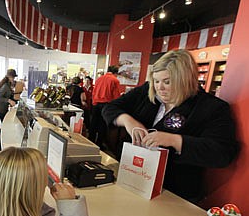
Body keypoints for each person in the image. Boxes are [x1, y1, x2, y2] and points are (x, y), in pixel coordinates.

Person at [102, 49, 238, 203]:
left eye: (167, 82)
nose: (160, 87)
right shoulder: (148, 91)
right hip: (133, 176)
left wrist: (175, 141)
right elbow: (109, 108)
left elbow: (222, 153)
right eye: (156, 81)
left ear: (185, 79)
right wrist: (128, 121)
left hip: (174, 193)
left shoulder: (211, 108)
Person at [90, 65, 121, 148]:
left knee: (93, 124)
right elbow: (116, 96)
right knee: (102, 125)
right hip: (106, 105)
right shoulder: (115, 80)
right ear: (116, 73)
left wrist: (94, 103)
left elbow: (94, 92)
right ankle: (99, 144)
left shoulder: (99, 79)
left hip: (96, 104)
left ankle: (89, 142)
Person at [0, 68, 17, 151]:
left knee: (3, 126)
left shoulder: (7, 85)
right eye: (12, 77)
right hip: (1, 108)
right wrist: (9, 100)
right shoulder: (5, 86)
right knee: (3, 126)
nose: (13, 79)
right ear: (9, 77)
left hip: (3, 107)